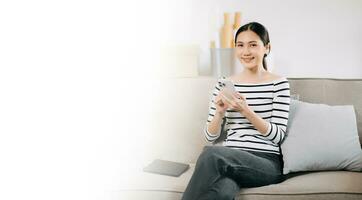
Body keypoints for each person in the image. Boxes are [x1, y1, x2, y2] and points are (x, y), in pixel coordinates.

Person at [181, 22, 290, 200]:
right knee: (221, 192)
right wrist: (219, 113)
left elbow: (278, 136)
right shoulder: (224, 84)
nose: (245, 51)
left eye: (253, 45)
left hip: (265, 162)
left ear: (266, 48)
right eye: (240, 45)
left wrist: (246, 111)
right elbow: (210, 137)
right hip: (228, 160)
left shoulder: (279, 83)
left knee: (210, 154)